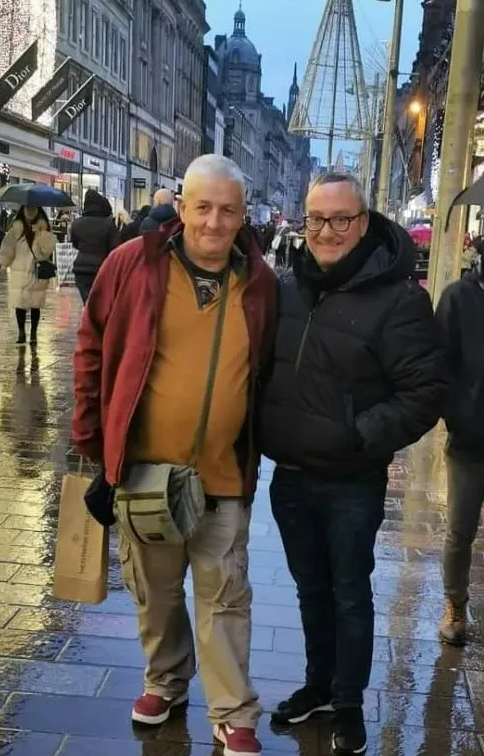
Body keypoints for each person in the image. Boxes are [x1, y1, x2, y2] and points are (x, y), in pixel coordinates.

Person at [72, 155, 277, 756]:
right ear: (181, 207)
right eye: (204, 207)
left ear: (243, 217)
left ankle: (233, 709)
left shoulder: (261, 283)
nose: (215, 222)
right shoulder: (131, 265)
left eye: (228, 211)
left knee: (224, 593)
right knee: (155, 591)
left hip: (222, 473)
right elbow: (90, 348)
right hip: (144, 473)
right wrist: (94, 442)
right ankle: (166, 678)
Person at [259, 173, 447, 756]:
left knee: (348, 593)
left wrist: (358, 436)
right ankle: (319, 685)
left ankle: (348, 703)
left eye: (341, 219)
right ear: (303, 222)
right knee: (309, 589)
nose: (328, 231)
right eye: (317, 219)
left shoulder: (399, 299)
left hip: (350, 481)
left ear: (364, 223)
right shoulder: (287, 287)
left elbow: (425, 392)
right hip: (289, 476)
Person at [435, 240, 484, 646]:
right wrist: (459, 416)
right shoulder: (460, 297)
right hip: (471, 442)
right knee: (460, 530)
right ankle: (455, 604)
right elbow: (439, 365)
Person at [0, 205, 55, 346]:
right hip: (19, 270)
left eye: (33, 210)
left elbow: (48, 250)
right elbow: (7, 248)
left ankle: (34, 333)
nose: (30, 213)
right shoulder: (16, 230)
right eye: (27, 210)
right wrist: (3, 262)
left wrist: (41, 234)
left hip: (36, 271)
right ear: (23, 212)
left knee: (35, 304)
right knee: (20, 303)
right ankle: (21, 332)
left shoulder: (43, 228)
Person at [71, 189, 120, 303]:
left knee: (87, 302)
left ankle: (88, 317)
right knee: (101, 302)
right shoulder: (108, 224)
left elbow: (75, 243)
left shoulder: (77, 223)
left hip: (81, 268)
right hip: (102, 267)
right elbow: (115, 247)